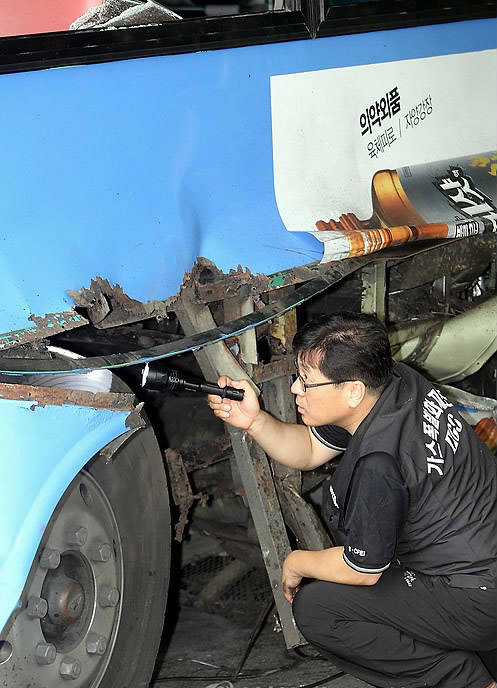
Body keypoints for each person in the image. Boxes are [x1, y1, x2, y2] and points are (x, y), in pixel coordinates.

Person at [208, 311, 497, 688]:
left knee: (318, 608)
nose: (295, 389)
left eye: (306, 382)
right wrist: (255, 421)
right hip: (479, 570)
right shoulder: (397, 382)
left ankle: (467, 682)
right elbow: (310, 449)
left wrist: (298, 561)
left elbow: (363, 569)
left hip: (476, 599)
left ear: (352, 390)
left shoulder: (379, 464)